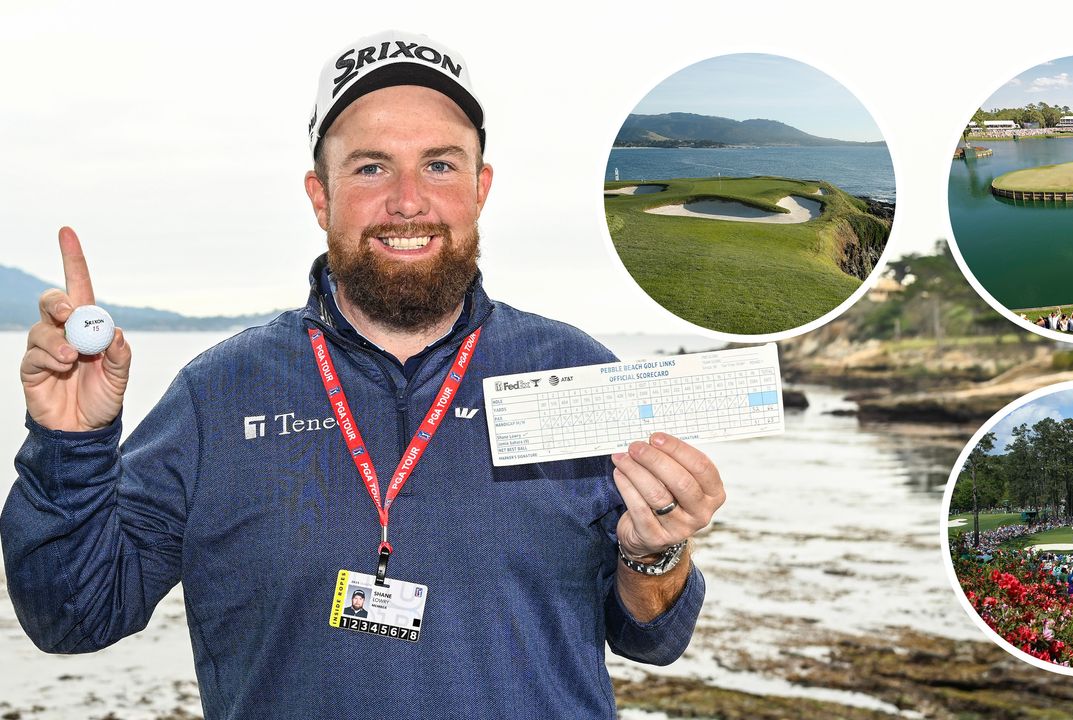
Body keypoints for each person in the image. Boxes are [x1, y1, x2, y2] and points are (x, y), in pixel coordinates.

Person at [2, 31, 724, 719]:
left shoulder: (573, 372)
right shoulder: (218, 394)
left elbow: (651, 636)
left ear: (481, 188)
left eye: (440, 164)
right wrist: (69, 447)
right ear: (320, 197)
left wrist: (655, 550)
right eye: (371, 166)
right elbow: (75, 616)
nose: (408, 199)